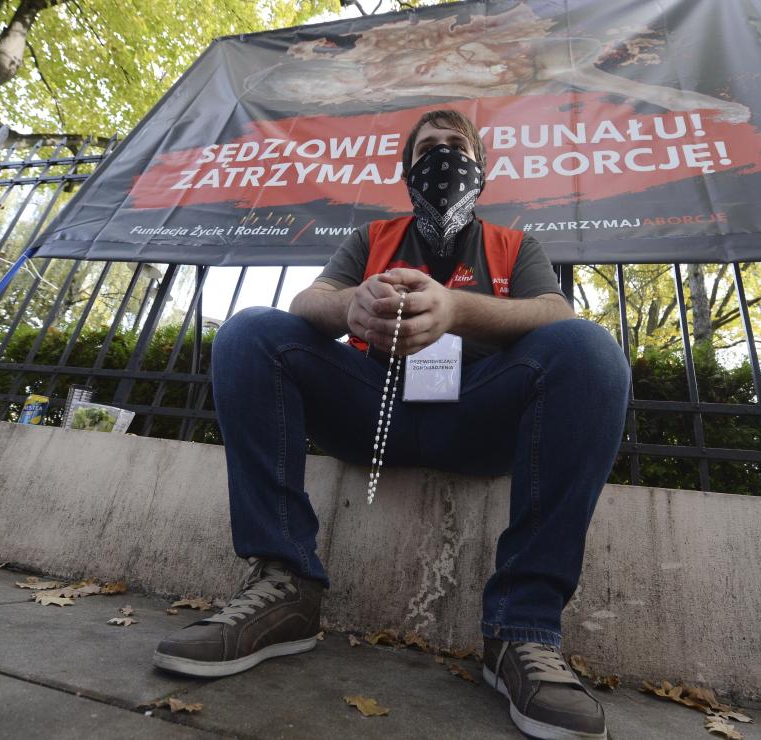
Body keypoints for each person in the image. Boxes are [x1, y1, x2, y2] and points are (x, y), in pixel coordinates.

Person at [153, 109, 631, 740]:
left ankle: (523, 628)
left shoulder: (515, 246)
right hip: (369, 407)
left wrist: (455, 308)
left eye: (455, 148)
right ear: (406, 170)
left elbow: (554, 313)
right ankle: (285, 588)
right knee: (250, 332)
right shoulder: (372, 236)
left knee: (592, 351)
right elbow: (306, 302)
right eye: (427, 149)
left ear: (481, 171)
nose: (442, 157)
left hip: (476, 416)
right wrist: (350, 306)